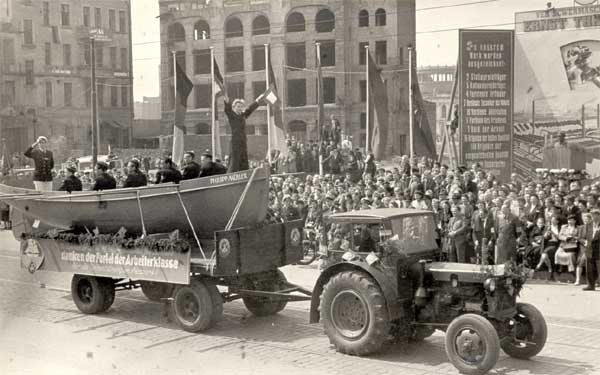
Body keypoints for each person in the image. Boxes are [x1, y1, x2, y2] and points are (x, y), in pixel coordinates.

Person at [223, 92, 264, 172]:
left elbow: (250, 109)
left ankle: (245, 173)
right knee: (235, 160)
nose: (240, 108)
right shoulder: (232, 115)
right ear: (234, 107)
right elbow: (227, 109)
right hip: (235, 141)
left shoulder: (242, 115)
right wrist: (226, 100)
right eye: (238, 107)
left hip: (243, 141)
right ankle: (231, 174)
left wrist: (258, 100)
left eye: (241, 107)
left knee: (244, 159)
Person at [583, 209, 600, 291]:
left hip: (599, 247)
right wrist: (585, 242)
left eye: (594, 215)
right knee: (589, 268)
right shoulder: (588, 225)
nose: (593, 217)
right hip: (590, 248)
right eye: (592, 215)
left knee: (598, 267)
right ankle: (590, 285)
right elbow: (585, 236)